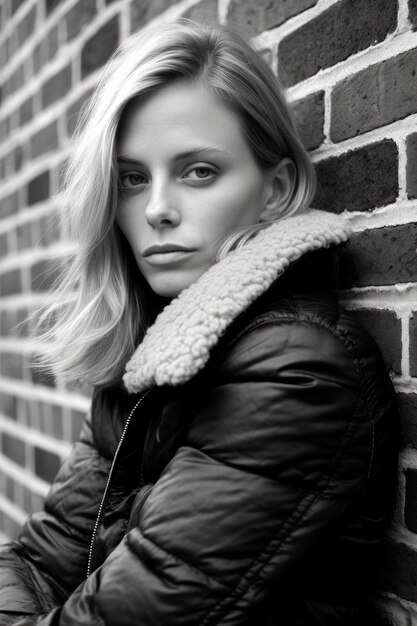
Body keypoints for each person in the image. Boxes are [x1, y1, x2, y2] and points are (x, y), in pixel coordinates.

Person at [0, 19, 397, 626]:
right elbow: (35, 561)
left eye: (198, 171)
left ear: (275, 188)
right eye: (132, 178)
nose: (157, 209)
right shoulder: (156, 354)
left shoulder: (297, 369)